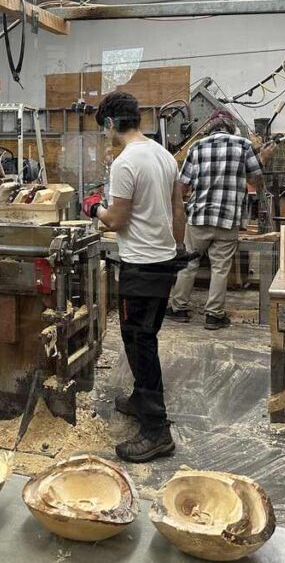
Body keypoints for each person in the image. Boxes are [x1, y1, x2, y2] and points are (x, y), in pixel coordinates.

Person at [82, 91, 185, 463]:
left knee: (139, 344)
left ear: (111, 123)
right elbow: (178, 208)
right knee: (146, 336)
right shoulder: (164, 155)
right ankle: (142, 398)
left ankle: (157, 432)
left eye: (104, 128)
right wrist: (177, 248)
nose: (105, 134)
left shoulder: (125, 162)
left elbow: (116, 221)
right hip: (163, 262)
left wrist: (94, 207)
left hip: (140, 267)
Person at [168, 110, 271, 329]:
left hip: (199, 216)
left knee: (189, 264)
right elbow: (256, 182)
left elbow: (182, 186)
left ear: (210, 127)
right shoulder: (244, 145)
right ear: (231, 127)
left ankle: (178, 309)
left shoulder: (196, 147)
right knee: (220, 268)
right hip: (227, 218)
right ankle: (214, 316)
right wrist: (263, 159)